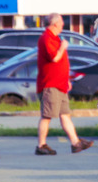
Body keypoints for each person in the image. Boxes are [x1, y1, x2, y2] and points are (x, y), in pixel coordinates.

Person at [35, 13, 94, 155]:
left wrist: (66, 79)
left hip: (59, 84)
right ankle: (41, 145)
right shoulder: (47, 38)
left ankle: (75, 143)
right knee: (47, 115)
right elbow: (54, 57)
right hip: (50, 85)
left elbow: (59, 63)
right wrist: (63, 47)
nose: (63, 24)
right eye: (61, 22)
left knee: (65, 115)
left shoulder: (55, 38)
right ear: (55, 23)